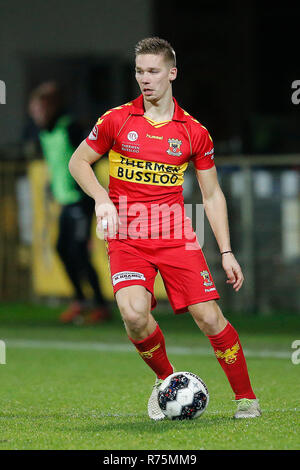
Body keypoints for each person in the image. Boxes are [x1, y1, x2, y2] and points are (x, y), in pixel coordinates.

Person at [68, 37, 261, 419]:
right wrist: (101, 198)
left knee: (208, 317)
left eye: (153, 71)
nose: (145, 78)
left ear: (172, 73)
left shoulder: (193, 132)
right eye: (139, 71)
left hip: (174, 235)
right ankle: (166, 382)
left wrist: (225, 251)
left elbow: (212, 195)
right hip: (127, 236)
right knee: (134, 314)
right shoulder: (116, 120)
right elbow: (78, 162)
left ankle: (246, 398)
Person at [26, 81, 111, 324]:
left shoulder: (70, 127)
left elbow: (89, 158)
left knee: (78, 252)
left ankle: (99, 306)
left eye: (40, 109)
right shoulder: (45, 131)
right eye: (34, 110)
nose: (36, 114)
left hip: (81, 200)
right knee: (63, 249)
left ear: (51, 107)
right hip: (67, 201)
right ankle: (81, 301)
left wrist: (87, 189)